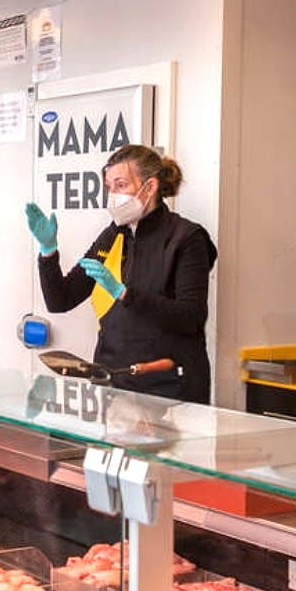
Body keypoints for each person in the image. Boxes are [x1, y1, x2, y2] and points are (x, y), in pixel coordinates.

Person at [25, 144, 217, 403]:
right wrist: (48, 252)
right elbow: (60, 300)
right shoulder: (114, 234)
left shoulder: (186, 238)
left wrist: (124, 293)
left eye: (121, 185)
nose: (112, 195)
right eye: (109, 187)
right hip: (113, 385)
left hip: (169, 388)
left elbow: (191, 317)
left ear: (149, 187)